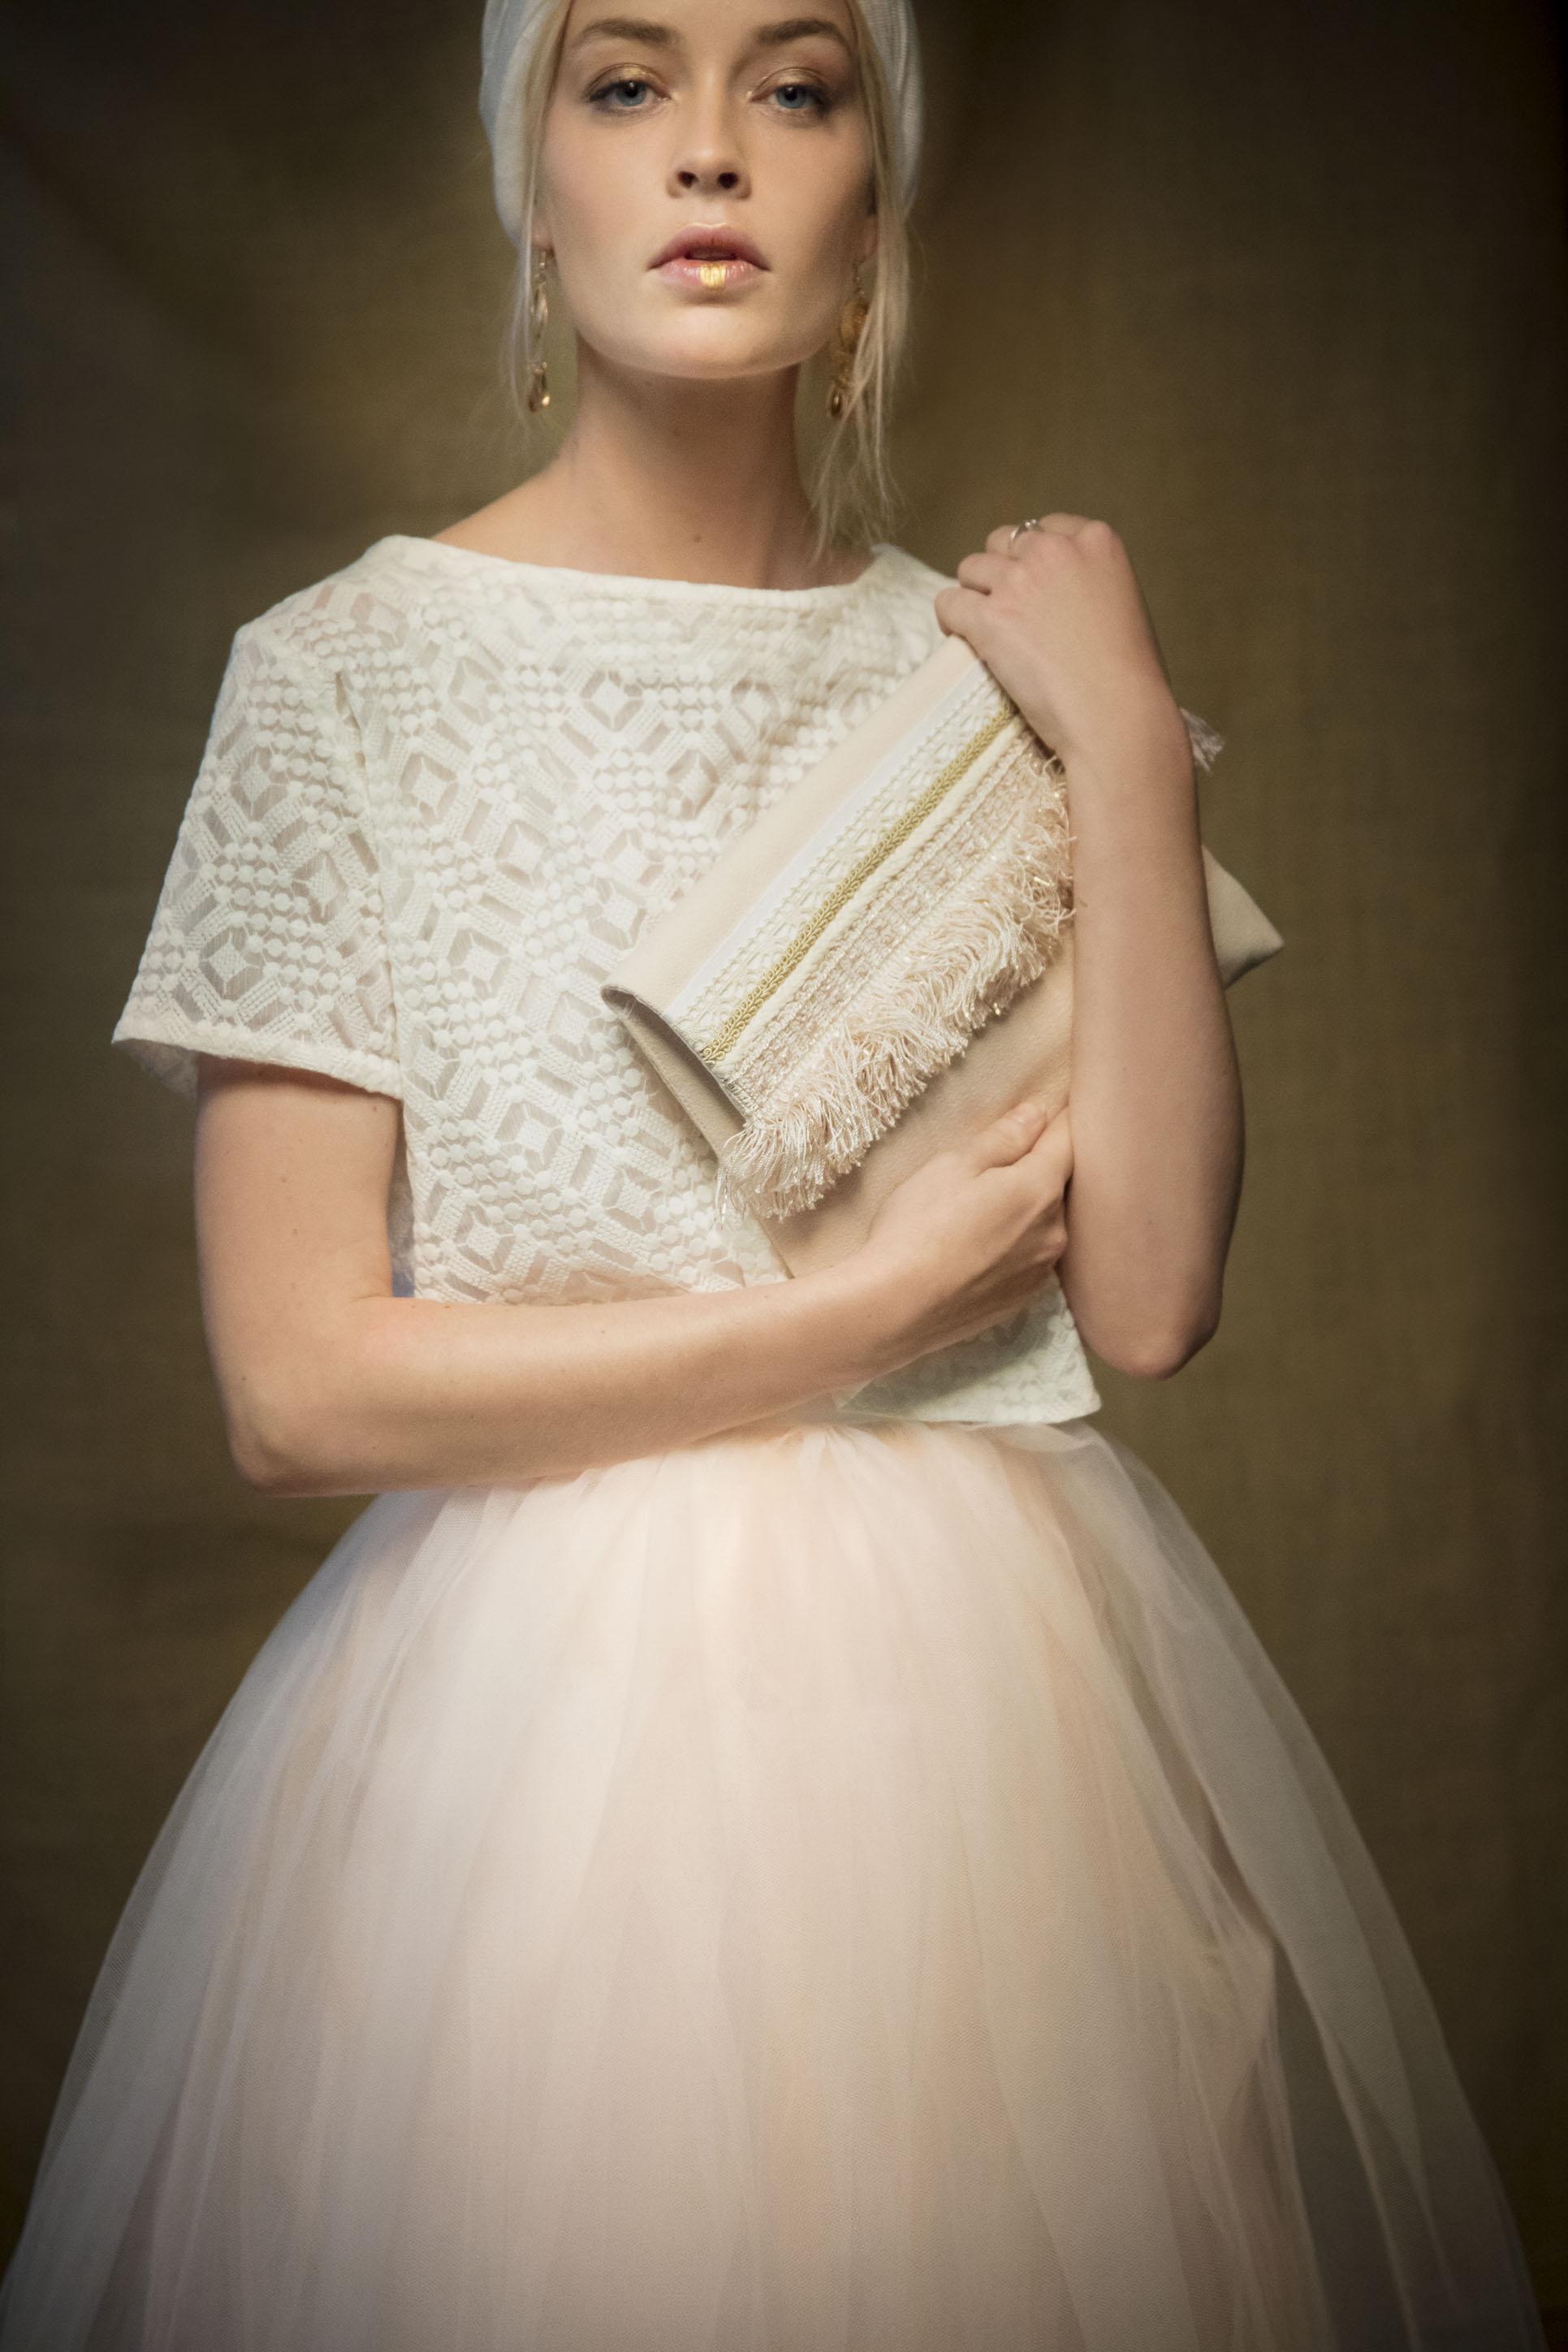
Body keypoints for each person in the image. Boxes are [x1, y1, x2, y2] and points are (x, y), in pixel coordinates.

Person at [0, 0, 1547, 2346]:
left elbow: (1146, 1302)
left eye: (795, 87)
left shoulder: (1002, 679)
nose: (708, 151)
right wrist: (858, 1319)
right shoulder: (342, 679)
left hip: (986, 1752)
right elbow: (298, 1395)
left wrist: (1129, 752)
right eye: (624, 84)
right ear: (530, 192)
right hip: (527, 1759)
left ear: (874, 202)